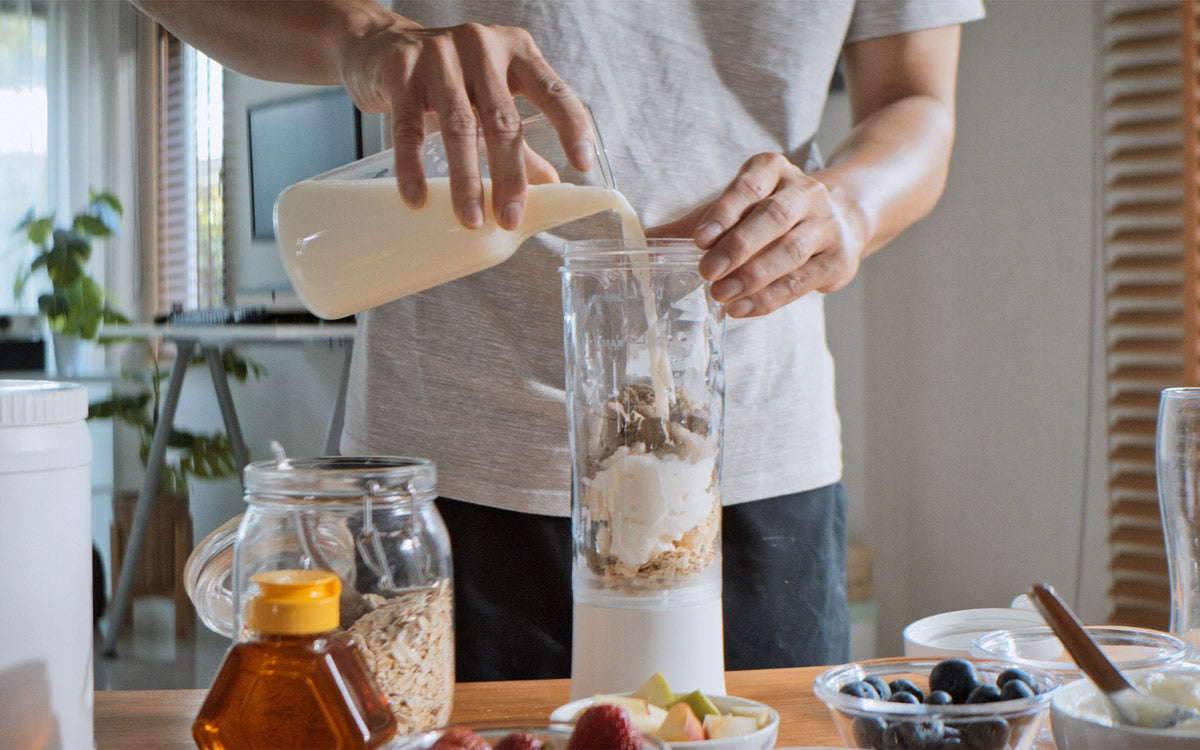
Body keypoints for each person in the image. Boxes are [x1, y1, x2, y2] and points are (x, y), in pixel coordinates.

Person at [133, 0, 984, 680]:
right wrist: (367, 37)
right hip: (447, 477)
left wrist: (850, 204)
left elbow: (917, 101)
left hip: (750, 470)